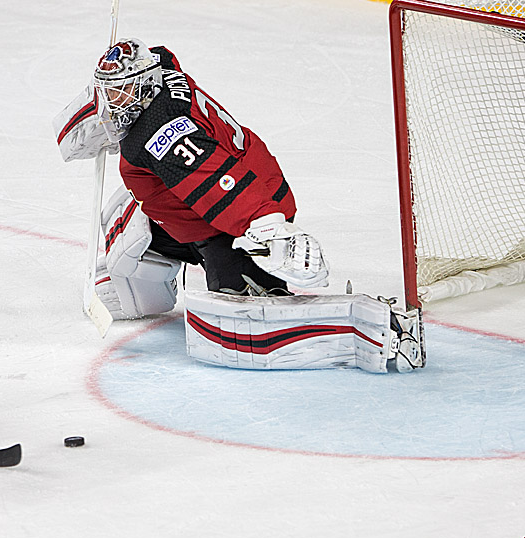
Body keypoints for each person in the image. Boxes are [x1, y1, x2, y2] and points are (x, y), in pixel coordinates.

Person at [54, 40, 424, 373]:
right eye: (110, 92)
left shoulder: (161, 134)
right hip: (223, 187)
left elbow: (212, 180)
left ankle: (369, 327)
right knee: (129, 264)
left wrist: (266, 226)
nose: (115, 102)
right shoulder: (164, 70)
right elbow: (153, 62)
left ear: (147, 86)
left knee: (238, 305)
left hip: (237, 213)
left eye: (123, 93)